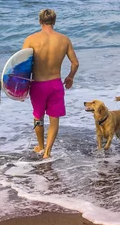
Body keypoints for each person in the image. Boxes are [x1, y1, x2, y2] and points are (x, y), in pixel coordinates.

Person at [22, 9, 79, 158]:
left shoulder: (31, 39)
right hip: (55, 84)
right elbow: (75, 63)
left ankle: (40, 146)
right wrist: (70, 77)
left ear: (40, 21)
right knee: (54, 119)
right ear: (54, 21)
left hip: (38, 85)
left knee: (38, 117)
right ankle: (47, 152)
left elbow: (21, 66)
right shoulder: (64, 40)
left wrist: (19, 88)